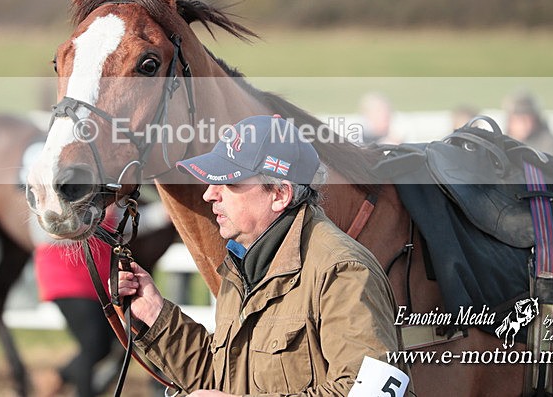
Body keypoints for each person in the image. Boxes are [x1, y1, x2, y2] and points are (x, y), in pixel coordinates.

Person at [117, 115, 408, 396]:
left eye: (229, 182)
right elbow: (223, 380)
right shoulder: (242, 266)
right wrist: (154, 315)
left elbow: (369, 392)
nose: (209, 194)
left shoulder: (342, 271)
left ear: (280, 194)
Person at [32, 210, 118, 397]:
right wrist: (93, 225)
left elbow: (122, 227)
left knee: (103, 346)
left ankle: (59, 377)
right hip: (66, 278)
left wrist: (163, 214)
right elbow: (43, 234)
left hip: (94, 282)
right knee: (93, 345)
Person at [502, 89, 553, 158]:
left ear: (535, 119)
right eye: (518, 118)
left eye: (527, 117)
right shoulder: (503, 144)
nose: (522, 123)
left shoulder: (550, 145)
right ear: (510, 121)